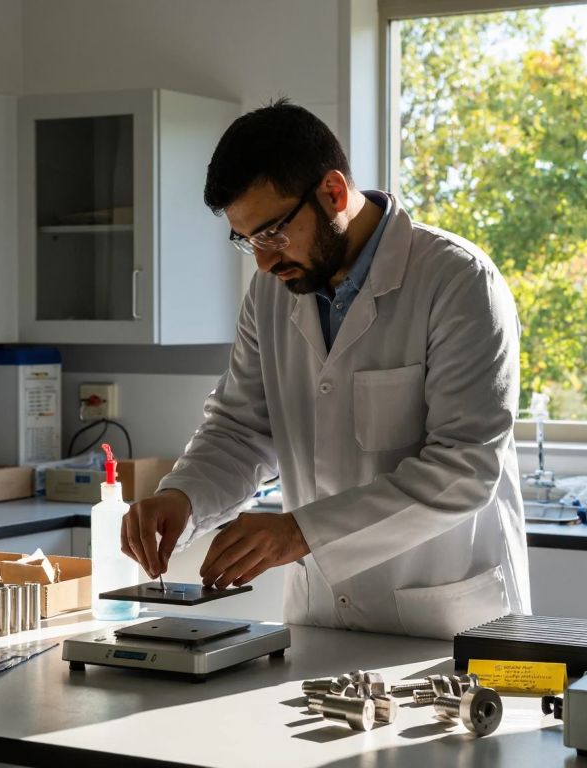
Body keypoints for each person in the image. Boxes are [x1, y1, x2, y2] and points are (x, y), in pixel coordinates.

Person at [119, 99, 530, 639]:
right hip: (322, 620)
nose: (263, 261)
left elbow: (464, 469)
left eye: (271, 233)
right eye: (247, 242)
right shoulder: (272, 294)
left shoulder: (458, 282)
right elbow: (241, 431)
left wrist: (299, 534)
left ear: (332, 192)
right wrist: (183, 496)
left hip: (445, 622)